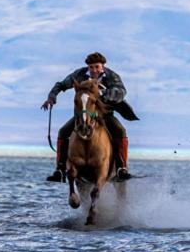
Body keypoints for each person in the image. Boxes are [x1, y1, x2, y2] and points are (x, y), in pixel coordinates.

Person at [41, 52, 139, 182]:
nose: (94, 70)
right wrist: (51, 98)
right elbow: (61, 85)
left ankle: (122, 168)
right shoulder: (79, 75)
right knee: (63, 131)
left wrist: (102, 94)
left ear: (102, 66)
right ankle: (60, 169)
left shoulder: (112, 76)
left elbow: (121, 91)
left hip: (104, 115)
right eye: (91, 67)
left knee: (120, 131)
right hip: (83, 115)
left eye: (97, 67)